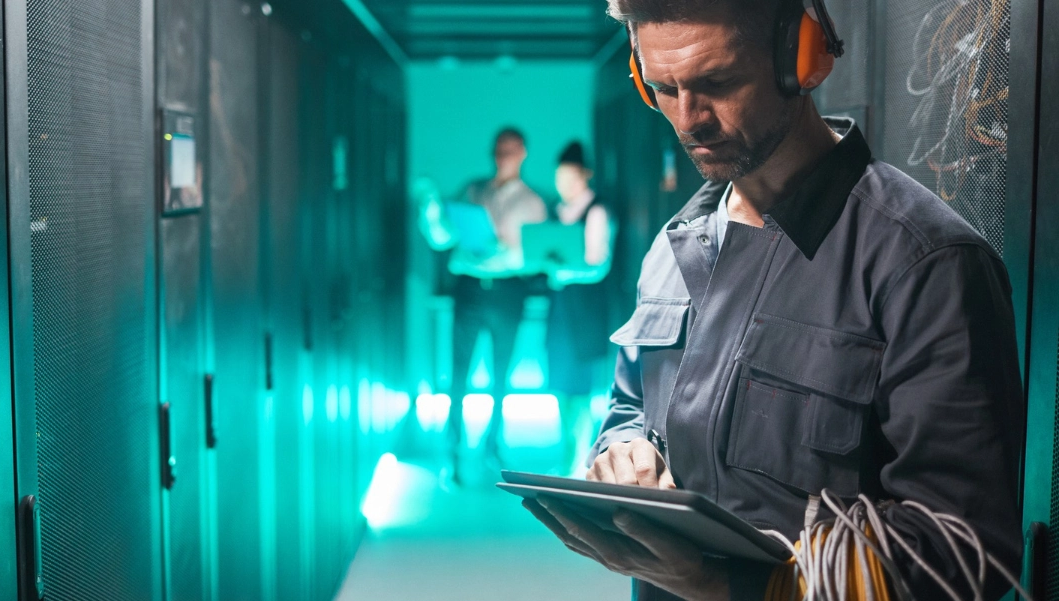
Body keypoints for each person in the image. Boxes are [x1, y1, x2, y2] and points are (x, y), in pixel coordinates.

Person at [523, 0, 1024, 600]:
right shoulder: (673, 247)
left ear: (800, 60)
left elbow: (966, 551)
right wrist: (622, 450)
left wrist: (726, 584)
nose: (688, 120)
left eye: (718, 82)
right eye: (662, 88)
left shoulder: (924, 265)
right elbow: (629, 405)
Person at [417, 128, 547, 485]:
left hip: (508, 291)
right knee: (458, 372)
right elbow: (442, 236)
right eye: (497, 151)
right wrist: (429, 205)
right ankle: (454, 448)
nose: (502, 157)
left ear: (522, 153)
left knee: (501, 374)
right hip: (470, 288)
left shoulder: (533, 202)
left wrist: (508, 252)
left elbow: (539, 256)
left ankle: (493, 445)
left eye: (509, 151)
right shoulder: (473, 191)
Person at [543, 141, 615, 476]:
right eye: (560, 177)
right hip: (560, 309)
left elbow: (598, 264)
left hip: (585, 310)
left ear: (584, 175)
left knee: (582, 388)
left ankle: (580, 460)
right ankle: (566, 453)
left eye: (569, 176)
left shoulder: (596, 210)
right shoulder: (557, 211)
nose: (563, 183)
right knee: (560, 382)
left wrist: (560, 271)